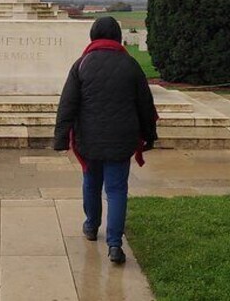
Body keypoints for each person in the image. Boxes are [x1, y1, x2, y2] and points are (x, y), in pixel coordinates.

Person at [53, 16, 157, 264]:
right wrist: (150, 136)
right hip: (121, 138)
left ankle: (91, 226)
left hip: (89, 138)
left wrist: (60, 138)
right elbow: (145, 106)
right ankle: (114, 245)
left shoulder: (82, 64)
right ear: (117, 37)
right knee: (117, 189)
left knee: (91, 182)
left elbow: (67, 104)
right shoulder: (131, 65)